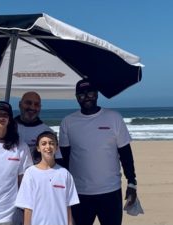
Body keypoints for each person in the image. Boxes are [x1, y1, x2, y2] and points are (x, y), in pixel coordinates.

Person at [59, 79, 138, 225]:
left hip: (111, 191)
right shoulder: (67, 122)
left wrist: (132, 182)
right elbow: (64, 160)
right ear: (77, 97)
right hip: (79, 193)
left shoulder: (114, 118)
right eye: (81, 95)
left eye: (90, 93)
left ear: (96, 94)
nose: (86, 97)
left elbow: (125, 154)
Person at [15, 131, 79, 225]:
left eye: (52, 143)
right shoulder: (30, 173)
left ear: (57, 147)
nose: (48, 147)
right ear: (38, 148)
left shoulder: (65, 174)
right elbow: (27, 208)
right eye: (43, 144)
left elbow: (68, 206)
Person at [14, 91, 62, 163]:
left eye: (36, 104)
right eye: (28, 103)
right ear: (20, 104)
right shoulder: (7, 128)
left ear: (40, 108)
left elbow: (58, 160)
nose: (32, 107)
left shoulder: (47, 132)